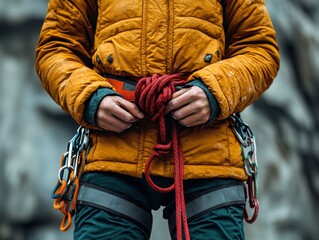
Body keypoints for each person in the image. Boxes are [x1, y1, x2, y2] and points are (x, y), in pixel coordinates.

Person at [35, 0, 280, 239]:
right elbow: (56, 48)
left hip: (207, 152)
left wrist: (214, 93)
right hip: (114, 153)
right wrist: (90, 98)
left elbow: (259, 48)